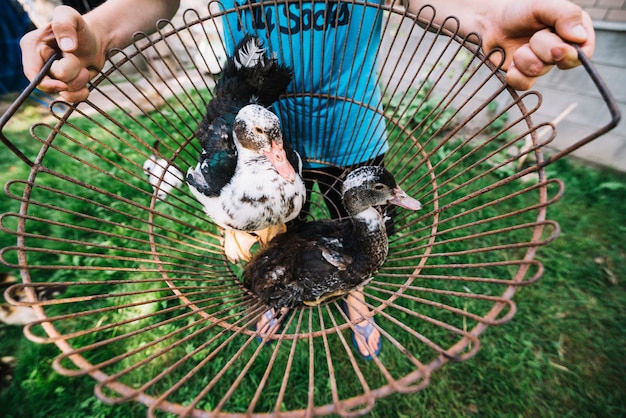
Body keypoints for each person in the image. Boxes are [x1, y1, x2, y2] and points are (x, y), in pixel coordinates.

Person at [19, 0, 595, 359]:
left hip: (353, 135)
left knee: (359, 239)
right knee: (281, 238)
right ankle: (277, 299)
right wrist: (97, 31)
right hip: (269, 136)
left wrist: (488, 14)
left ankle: (356, 303)